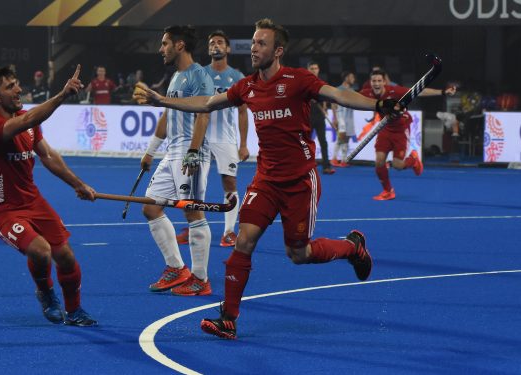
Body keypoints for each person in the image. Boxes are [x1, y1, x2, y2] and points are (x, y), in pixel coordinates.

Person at [134, 19, 404, 339]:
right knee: (244, 241)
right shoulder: (247, 86)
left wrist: (378, 105)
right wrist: (161, 100)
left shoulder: (298, 80)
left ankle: (351, 247)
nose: (253, 48)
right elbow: (206, 103)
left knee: (298, 254)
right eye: (252, 42)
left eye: (261, 43)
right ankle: (228, 318)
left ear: (277, 51)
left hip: (300, 181)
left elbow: (339, 94)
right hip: (266, 180)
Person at [0, 64, 97, 326]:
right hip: (2, 209)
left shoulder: (27, 121)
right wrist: (63, 94)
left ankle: (75, 311)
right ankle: (45, 292)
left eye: (17, 82)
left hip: (33, 201)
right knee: (41, 251)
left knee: (65, 256)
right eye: (10, 87)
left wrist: (78, 184)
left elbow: (48, 156)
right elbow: (28, 120)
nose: (19, 89)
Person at [140, 25, 215, 296]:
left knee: (192, 211)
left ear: (179, 45)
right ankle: (177, 268)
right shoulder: (174, 78)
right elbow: (165, 117)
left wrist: (194, 151)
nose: (161, 49)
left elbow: (204, 113)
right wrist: (150, 151)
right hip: (171, 152)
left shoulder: (199, 75)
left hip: (190, 152)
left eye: (164, 44)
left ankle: (200, 279)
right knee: (150, 207)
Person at [177, 30, 249, 248]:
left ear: (227, 49)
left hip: (226, 139)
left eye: (220, 42)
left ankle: (228, 232)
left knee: (229, 182)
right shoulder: (199, 74)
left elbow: (243, 112)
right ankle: (194, 228)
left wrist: (243, 144)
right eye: (212, 43)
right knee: (195, 184)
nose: (215, 45)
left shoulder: (237, 78)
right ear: (208, 49)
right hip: (202, 137)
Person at [360, 70, 455, 200]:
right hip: (385, 129)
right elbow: (349, 97)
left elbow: (419, 91)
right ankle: (388, 191)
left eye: (379, 81)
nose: (376, 84)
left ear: (384, 82)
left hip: (400, 129)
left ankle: (414, 160)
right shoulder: (367, 93)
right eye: (374, 81)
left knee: (398, 165)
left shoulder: (394, 91)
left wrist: (443, 92)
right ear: (370, 83)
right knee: (379, 162)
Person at [307, 61, 335, 174]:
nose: (314, 70)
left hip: (319, 117)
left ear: (318, 70)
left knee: (323, 142)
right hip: (307, 116)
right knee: (306, 142)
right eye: (312, 68)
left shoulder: (322, 83)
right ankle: (304, 167)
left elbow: (326, 97)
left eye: (316, 68)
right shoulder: (304, 83)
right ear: (308, 69)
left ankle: (326, 166)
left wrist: (320, 100)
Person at [331, 71, 357, 167]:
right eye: (352, 77)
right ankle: (334, 159)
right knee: (341, 137)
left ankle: (343, 160)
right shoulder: (338, 89)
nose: (354, 79)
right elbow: (333, 104)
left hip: (349, 118)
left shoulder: (353, 91)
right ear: (346, 78)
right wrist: (334, 118)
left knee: (346, 139)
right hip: (340, 117)